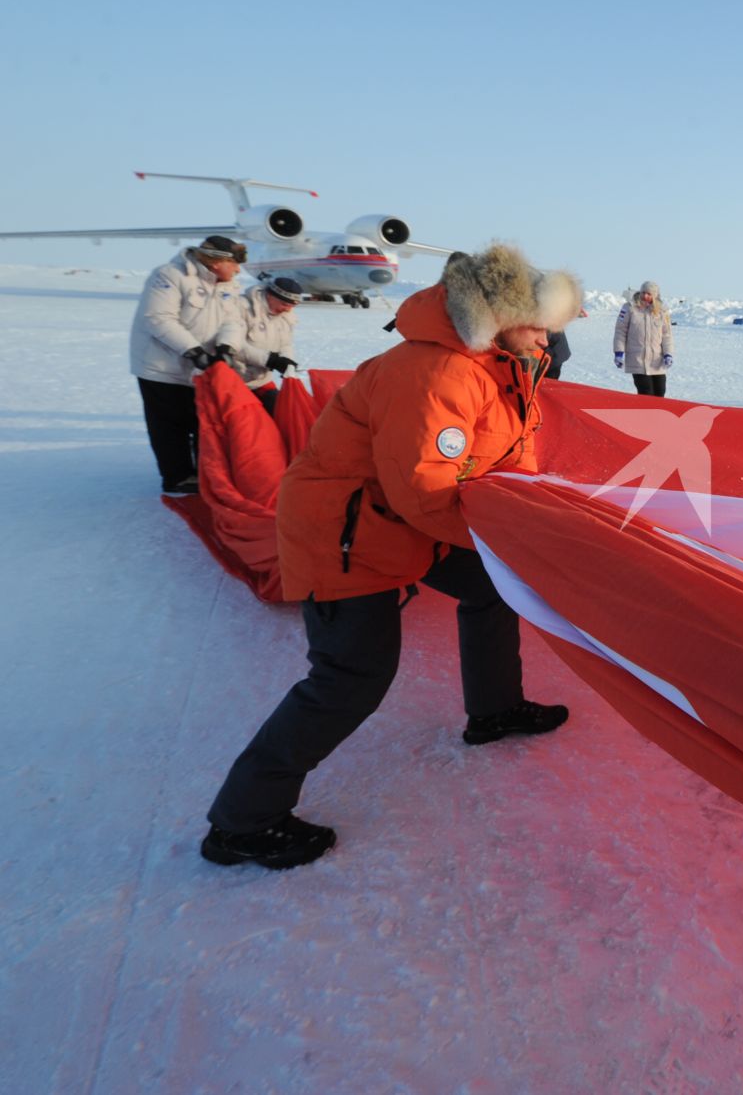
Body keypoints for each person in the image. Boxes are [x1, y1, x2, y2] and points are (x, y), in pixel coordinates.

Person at [201, 243, 584, 870]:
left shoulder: (499, 367)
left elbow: (509, 462)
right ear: (500, 317)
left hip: (405, 522)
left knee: (493, 586)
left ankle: (492, 709)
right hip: (347, 533)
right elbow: (424, 488)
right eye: (540, 324)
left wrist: (525, 526)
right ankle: (242, 823)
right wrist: (506, 540)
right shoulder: (439, 373)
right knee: (351, 677)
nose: (549, 337)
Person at [130, 234, 246, 494]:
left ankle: (206, 473)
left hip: (200, 369)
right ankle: (178, 476)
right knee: (169, 424)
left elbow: (233, 321)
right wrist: (193, 351)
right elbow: (158, 318)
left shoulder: (229, 284)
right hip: (161, 367)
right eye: (234, 264)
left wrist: (227, 347)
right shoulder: (170, 276)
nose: (238, 270)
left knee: (202, 420)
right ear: (217, 262)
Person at [215, 275, 302, 416]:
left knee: (283, 413)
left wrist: (287, 361)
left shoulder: (286, 316)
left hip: (260, 381)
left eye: (292, 306)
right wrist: (269, 360)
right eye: (285, 304)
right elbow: (234, 345)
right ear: (270, 296)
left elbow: (285, 343)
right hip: (235, 382)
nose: (288, 309)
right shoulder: (241, 306)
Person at [614, 280, 673, 396]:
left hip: (656, 362)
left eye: (649, 294)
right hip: (638, 361)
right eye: (643, 292)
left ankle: (658, 415)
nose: (645, 296)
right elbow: (620, 331)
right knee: (646, 393)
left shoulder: (662, 311)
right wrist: (619, 352)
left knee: (660, 393)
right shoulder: (629, 308)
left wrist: (668, 354)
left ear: (655, 296)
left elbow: (667, 335)